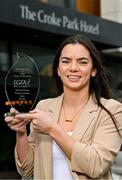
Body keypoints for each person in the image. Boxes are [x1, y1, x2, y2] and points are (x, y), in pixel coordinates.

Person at [5, 34, 122, 180]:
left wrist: (52, 129)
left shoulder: (111, 110)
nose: (73, 68)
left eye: (82, 62)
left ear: (93, 70)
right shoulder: (44, 107)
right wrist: (21, 133)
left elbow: (96, 165)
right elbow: (27, 169)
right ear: (58, 70)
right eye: (66, 61)